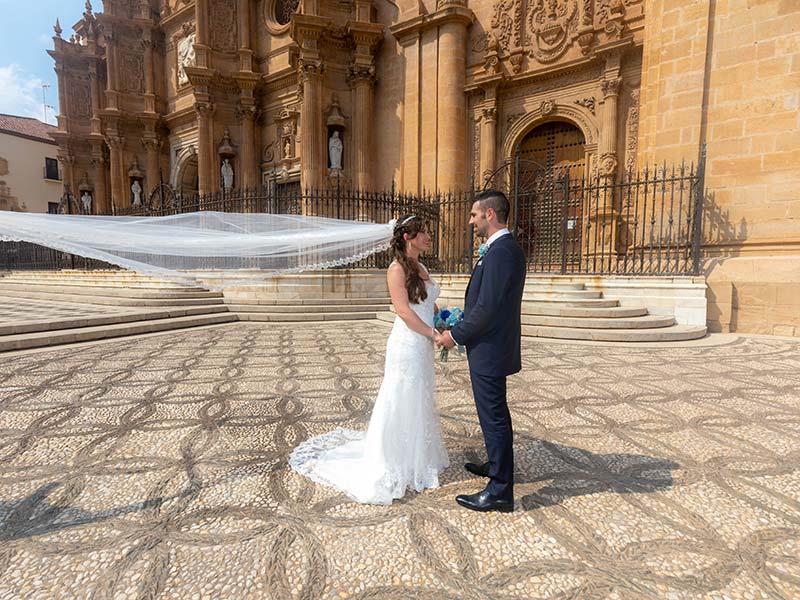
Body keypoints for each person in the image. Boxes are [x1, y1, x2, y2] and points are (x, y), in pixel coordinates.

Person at [289, 215, 449, 504]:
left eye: (427, 232)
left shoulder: (422, 266)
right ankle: (395, 459)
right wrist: (432, 334)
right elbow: (402, 310)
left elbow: (426, 302)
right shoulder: (396, 269)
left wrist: (442, 319)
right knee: (402, 396)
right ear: (407, 237)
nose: (428, 236)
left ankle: (416, 457)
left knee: (420, 395)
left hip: (423, 340)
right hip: (408, 343)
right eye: (423, 233)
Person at [437, 189, 526, 513]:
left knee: (494, 418)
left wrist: (454, 335)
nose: (471, 220)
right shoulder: (501, 249)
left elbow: (487, 308)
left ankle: (500, 490)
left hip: (490, 348)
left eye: (475, 215)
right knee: (494, 415)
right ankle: (496, 466)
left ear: (490, 215)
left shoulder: (502, 252)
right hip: (490, 346)